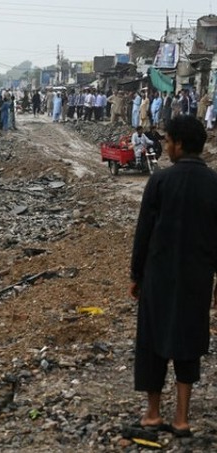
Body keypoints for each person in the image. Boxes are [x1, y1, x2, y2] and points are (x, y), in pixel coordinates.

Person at [130, 115, 217, 437]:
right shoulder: (214, 183)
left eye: (167, 141)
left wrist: (136, 275)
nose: (165, 146)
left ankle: (152, 414)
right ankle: (181, 419)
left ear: (179, 144)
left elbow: (144, 234)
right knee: (189, 341)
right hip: (198, 278)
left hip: (159, 275)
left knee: (153, 341)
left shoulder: (160, 181)